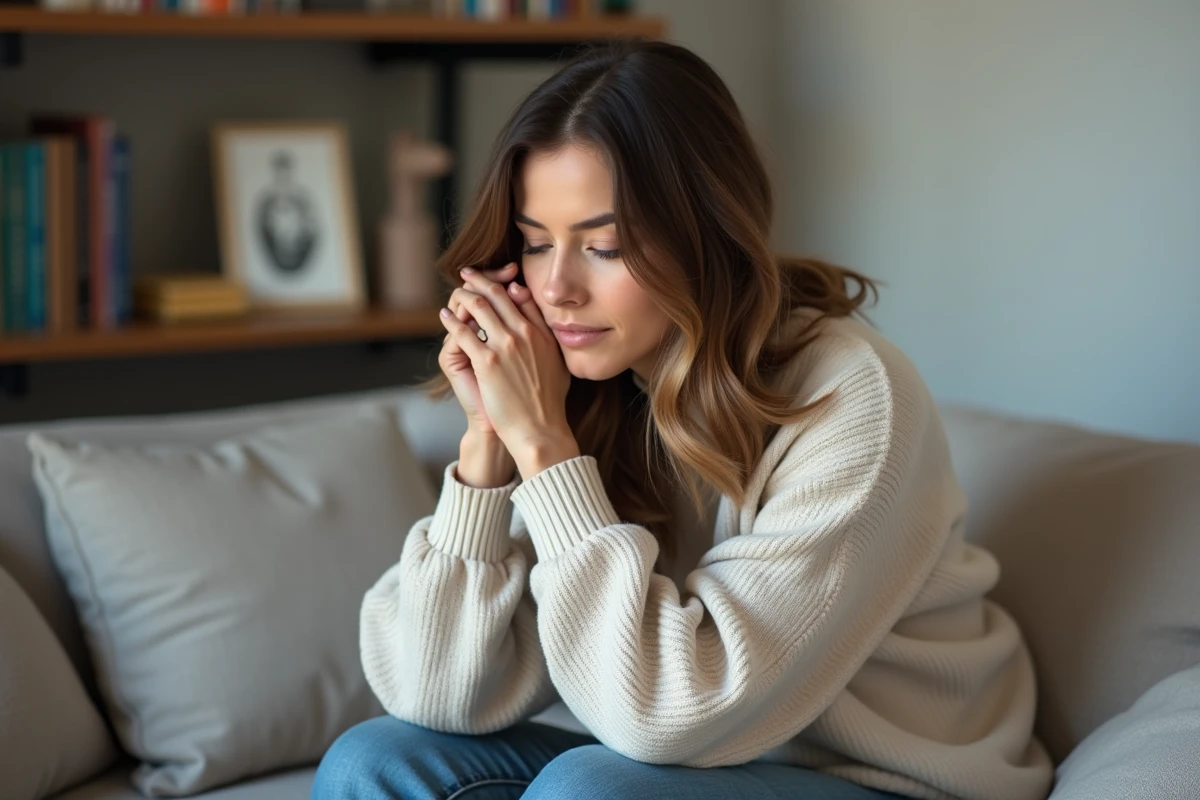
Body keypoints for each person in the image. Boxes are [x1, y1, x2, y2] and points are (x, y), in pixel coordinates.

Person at [312, 38, 1053, 800]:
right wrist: (489, 446)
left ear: (706, 235)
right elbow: (434, 692)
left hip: (885, 779)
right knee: (372, 761)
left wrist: (544, 446)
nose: (558, 287)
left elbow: (674, 713)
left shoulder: (853, 396)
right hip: (704, 766)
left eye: (603, 246)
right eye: (536, 245)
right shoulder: (586, 389)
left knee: (589, 790)